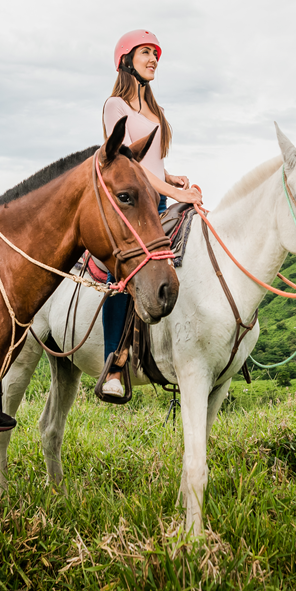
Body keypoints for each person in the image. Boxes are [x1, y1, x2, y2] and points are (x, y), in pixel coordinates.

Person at [98, 30, 203, 399]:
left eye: (155, 54)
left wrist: (170, 177)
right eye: (146, 53)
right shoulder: (116, 106)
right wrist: (175, 192)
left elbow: (153, 161)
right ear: (127, 60)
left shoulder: (153, 109)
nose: (153, 59)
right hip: (131, 203)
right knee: (124, 272)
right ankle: (114, 362)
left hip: (156, 199)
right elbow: (130, 167)